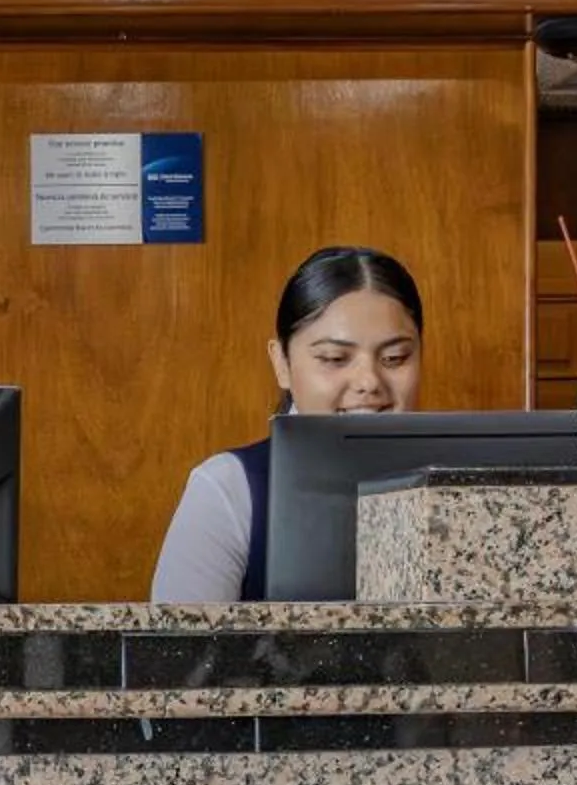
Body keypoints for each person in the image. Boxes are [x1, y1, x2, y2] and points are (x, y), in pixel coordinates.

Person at [149, 246, 424, 602]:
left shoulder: (465, 481)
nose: (369, 381)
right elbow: (179, 637)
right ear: (282, 363)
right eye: (334, 358)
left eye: (394, 358)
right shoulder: (228, 488)